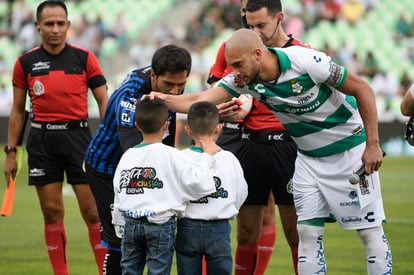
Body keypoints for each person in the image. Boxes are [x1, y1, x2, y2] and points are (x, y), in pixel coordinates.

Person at [149, 28, 393, 274]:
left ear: (257, 54)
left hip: (349, 150)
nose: (233, 72)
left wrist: (372, 144)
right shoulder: (243, 80)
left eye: (237, 64)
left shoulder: (306, 60)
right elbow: (200, 99)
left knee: (369, 233)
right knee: (306, 233)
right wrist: (157, 98)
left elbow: (362, 88)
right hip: (308, 158)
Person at [3, 1, 109, 275]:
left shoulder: (84, 58)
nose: (55, 29)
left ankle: (105, 272)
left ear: (68, 25)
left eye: (60, 23)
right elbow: (17, 109)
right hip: (41, 141)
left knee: (94, 214)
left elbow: (103, 99)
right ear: (38, 26)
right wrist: (11, 152)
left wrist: (108, 137)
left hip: (79, 140)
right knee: (51, 212)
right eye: (49, 24)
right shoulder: (25, 62)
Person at [207, 1, 311, 273]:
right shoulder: (232, 48)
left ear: (277, 18)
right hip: (250, 143)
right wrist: (226, 110)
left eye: (260, 25)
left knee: (296, 231)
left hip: (288, 146)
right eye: (251, 24)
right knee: (245, 231)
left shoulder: (301, 53)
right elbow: (213, 92)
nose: (256, 30)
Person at [84, 44, 192, 274]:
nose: (174, 92)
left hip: (138, 162)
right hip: (108, 167)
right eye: (168, 85)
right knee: (121, 240)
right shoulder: (130, 97)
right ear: (153, 75)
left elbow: (165, 135)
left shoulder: (164, 90)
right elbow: (135, 153)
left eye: (180, 85)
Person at [112, 98, 217, 275]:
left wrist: (119, 223)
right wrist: (207, 157)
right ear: (166, 125)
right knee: (159, 271)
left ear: (136, 125)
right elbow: (199, 183)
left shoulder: (128, 156)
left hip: (130, 224)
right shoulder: (172, 155)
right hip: (160, 225)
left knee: (129, 270)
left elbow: (118, 190)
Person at [175, 101, 248, 275]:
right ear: (218, 128)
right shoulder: (229, 159)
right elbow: (241, 193)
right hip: (219, 227)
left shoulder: (179, 158)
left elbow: (174, 193)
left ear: (188, 130)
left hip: (187, 226)